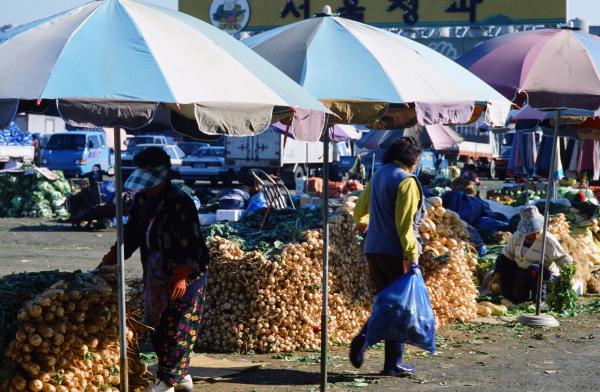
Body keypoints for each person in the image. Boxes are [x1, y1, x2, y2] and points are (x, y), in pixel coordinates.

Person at [100, 147, 209, 392]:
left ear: (163, 176)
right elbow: (133, 234)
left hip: (187, 275)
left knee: (179, 326)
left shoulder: (180, 202)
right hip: (155, 270)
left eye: (151, 183)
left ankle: (167, 381)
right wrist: (113, 255)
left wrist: (181, 276)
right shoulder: (142, 200)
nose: (146, 188)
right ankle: (180, 377)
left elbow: (193, 243)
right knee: (157, 325)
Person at [350, 137, 426, 376]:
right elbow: (405, 226)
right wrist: (412, 256)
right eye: (418, 159)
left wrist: (367, 227)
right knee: (399, 307)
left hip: (373, 249)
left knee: (387, 303)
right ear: (412, 158)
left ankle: (375, 351)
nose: (418, 163)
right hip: (395, 253)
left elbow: (359, 212)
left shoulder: (380, 174)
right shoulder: (407, 182)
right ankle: (381, 354)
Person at [490, 205, 573, 304]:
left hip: (543, 276)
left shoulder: (548, 241)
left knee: (534, 269)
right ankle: (512, 297)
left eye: (536, 232)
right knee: (506, 265)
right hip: (522, 274)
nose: (534, 235)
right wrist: (495, 278)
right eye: (530, 232)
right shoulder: (517, 237)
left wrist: (568, 274)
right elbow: (505, 257)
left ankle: (540, 300)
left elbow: (562, 258)